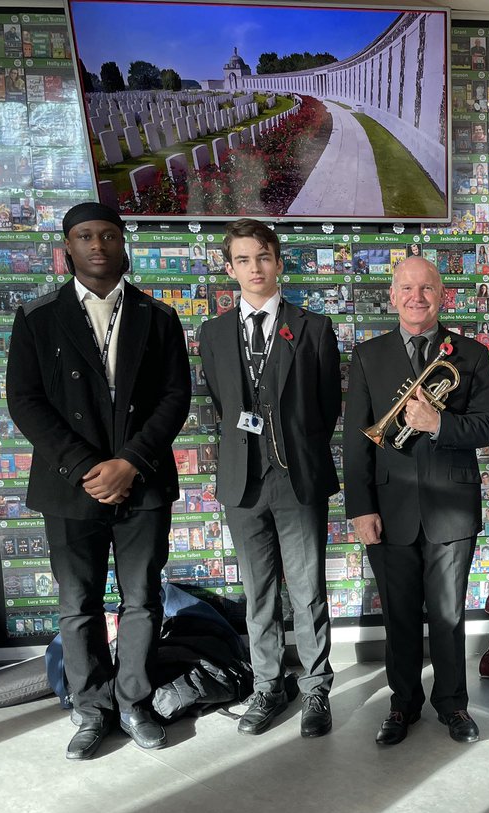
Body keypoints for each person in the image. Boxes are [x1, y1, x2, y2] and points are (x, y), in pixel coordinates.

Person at [6, 202, 191, 760]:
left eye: (108, 235)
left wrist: (130, 461)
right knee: (77, 602)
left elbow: (174, 398)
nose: (98, 245)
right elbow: (25, 401)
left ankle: (134, 702)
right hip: (70, 487)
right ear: (68, 247)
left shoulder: (158, 318)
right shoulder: (37, 317)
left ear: (122, 244)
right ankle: (90, 709)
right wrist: (86, 467)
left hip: (145, 481)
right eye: (85, 236)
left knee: (141, 599)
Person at [343, 256, 489, 745]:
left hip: (451, 508)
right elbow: (355, 441)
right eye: (406, 288)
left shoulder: (470, 354)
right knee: (400, 613)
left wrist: (439, 424)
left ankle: (453, 705)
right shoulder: (369, 355)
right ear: (392, 296)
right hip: (389, 509)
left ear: (442, 295)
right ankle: (402, 703)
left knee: (450, 615)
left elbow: (488, 426)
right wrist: (360, 508)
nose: (417, 297)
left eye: (426, 288)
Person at [198, 218, 341, 739]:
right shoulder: (212, 334)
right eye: (243, 259)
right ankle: (267, 687)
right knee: (257, 594)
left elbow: (326, 409)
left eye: (262, 257)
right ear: (229, 268)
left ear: (279, 263)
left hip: (296, 479)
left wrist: (293, 449)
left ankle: (316, 688)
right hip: (242, 484)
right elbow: (221, 403)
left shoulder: (313, 328)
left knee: (307, 592)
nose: (254, 268)